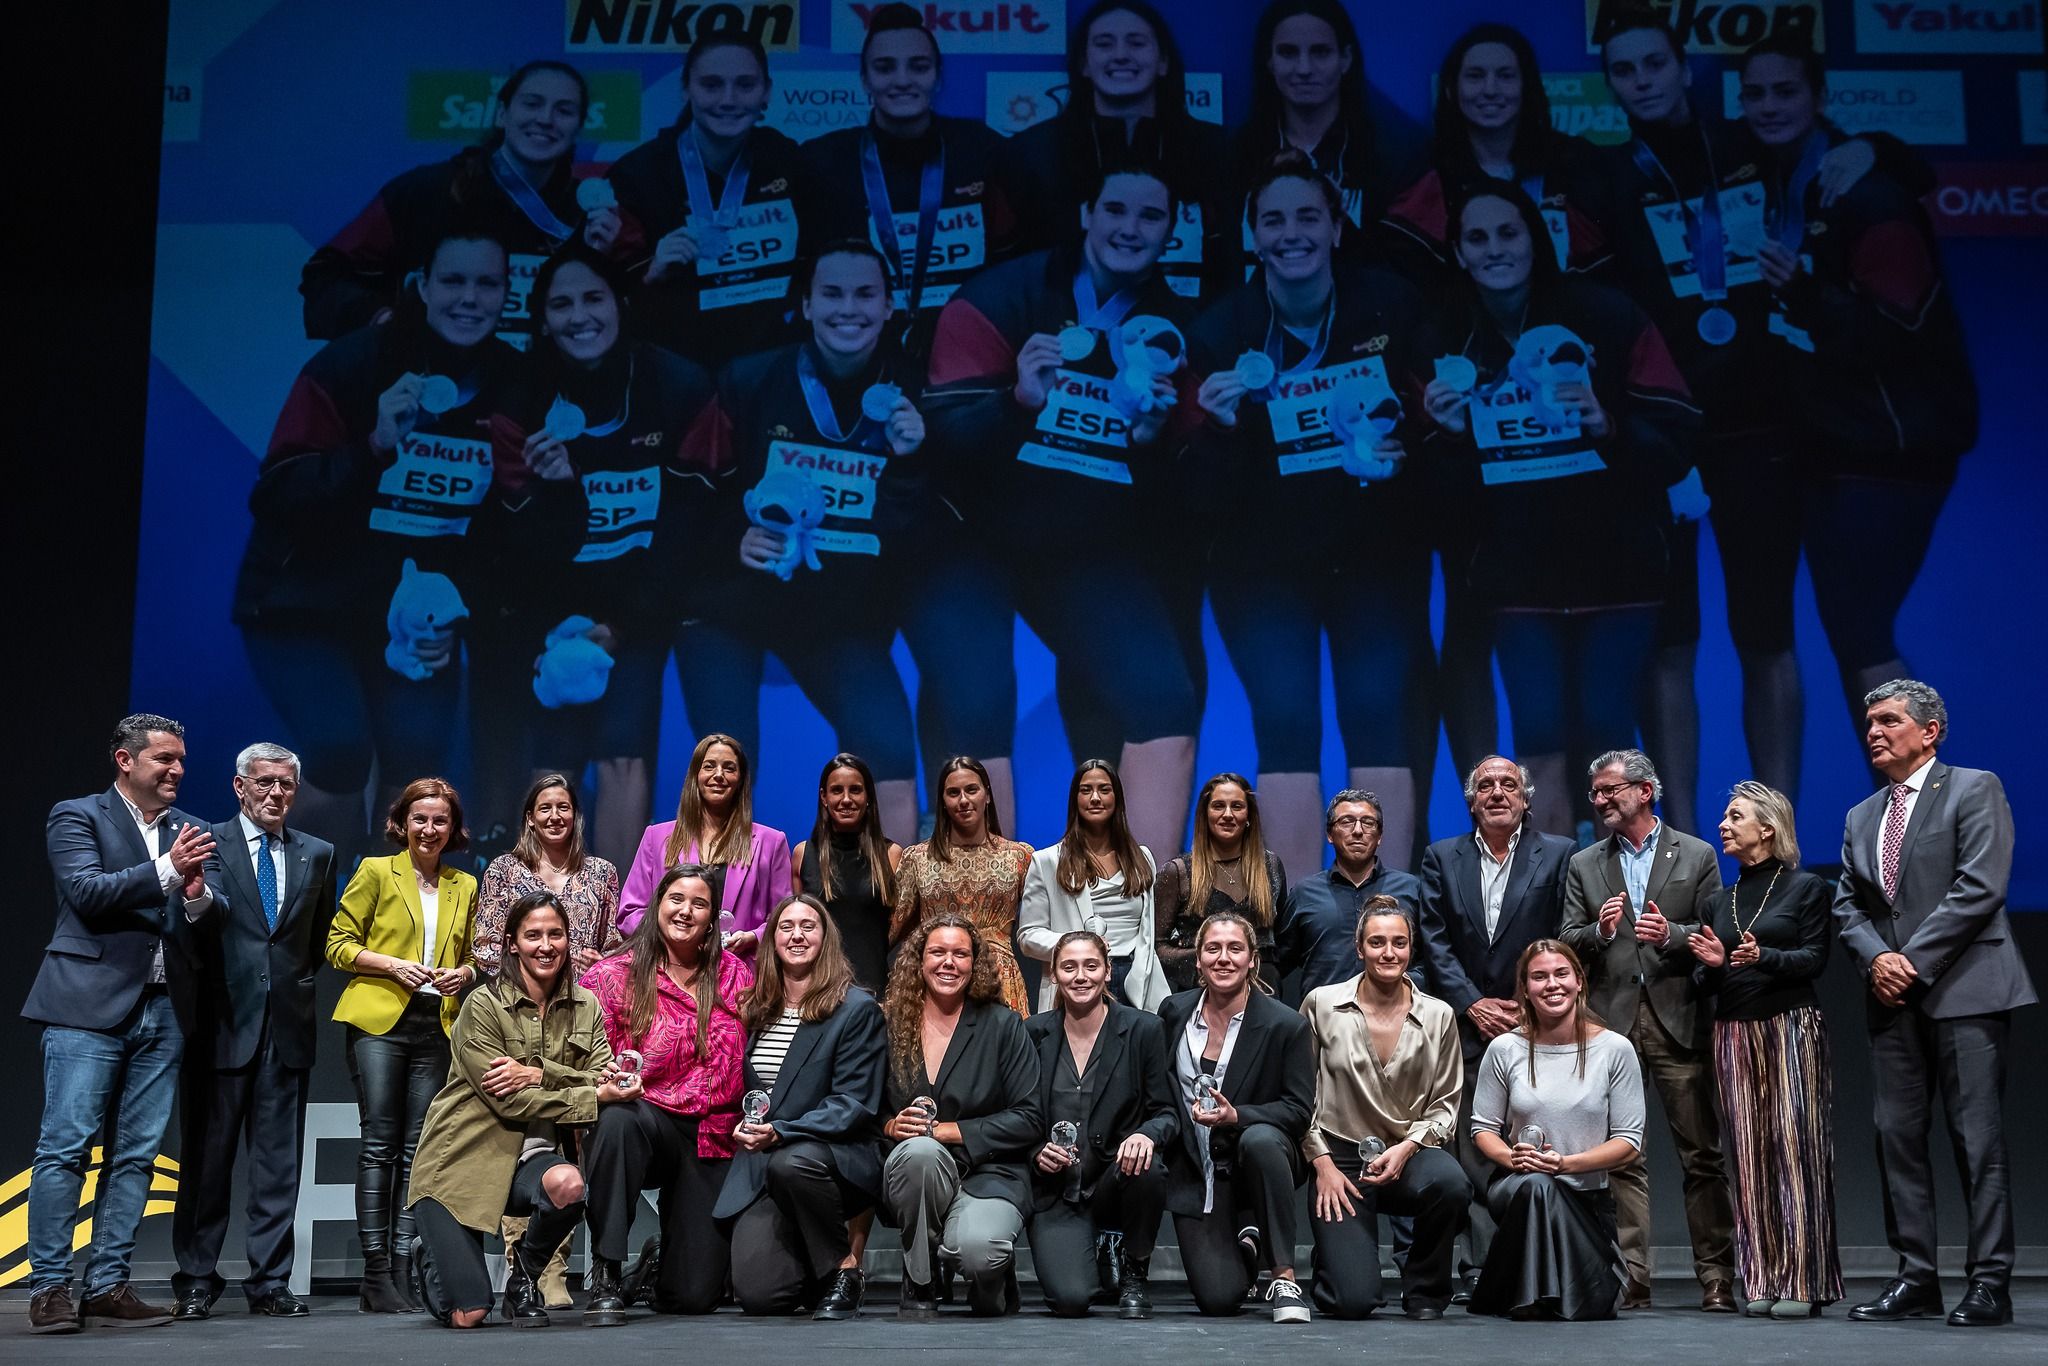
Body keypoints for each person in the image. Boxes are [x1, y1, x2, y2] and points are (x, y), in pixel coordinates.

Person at [1591, 7, 1923, 831]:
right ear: (1611, 85)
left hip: (1762, 432)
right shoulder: (1603, 174)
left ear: (1683, 67)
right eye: (1624, 71)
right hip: (1662, 434)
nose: (1642, 82)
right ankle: (1677, 846)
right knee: (1670, 644)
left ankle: (1773, 836)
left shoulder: (1750, 146)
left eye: (1654, 65)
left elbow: (1898, 169)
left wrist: (1871, 146)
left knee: (1765, 635)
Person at [238, 225, 585, 857]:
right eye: (453, 281)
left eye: (487, 284)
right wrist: (371, 446)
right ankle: (302, 913)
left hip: (412, 616)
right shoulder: (351, 364)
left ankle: (388, 924)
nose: (469, 298)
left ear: (507, 293)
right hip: (304, 604)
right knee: (341, 748)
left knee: (421, 771)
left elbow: (520, 546)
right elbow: (278, 496)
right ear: (421, 287)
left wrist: (553, 491)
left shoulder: (521, 383)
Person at [923, 160, 1201, 856]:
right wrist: (1015, 402)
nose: (1129, 229)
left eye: (1150, 216)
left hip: (1078, 548)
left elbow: (1191, 482)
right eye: (1116, 210)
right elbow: (944, 440)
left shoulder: (1176, 327)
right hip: (969, 542)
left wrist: (1148, 442)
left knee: (1166, 701)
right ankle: (978, 928)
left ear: (1172, 230)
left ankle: (1137, 911)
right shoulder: (1000, 297)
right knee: (978, 710)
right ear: (1086, 214)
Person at [1422, 182, 1698, 835]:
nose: (1495, 250)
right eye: (1478, 238)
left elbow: (1682, 431)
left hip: (1620, 565)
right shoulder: (1443, 337)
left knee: (1608, 736)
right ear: (1458, 252)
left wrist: (1608, 422)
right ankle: (1552, 909)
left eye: (1508, 233)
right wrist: (1446, 432)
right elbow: (1424, 482)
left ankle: (1620, 906)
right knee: (1539, 734)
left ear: (1536, 238)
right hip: (1518, 576)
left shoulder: (1609, 314)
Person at [1188, 153, 1433, 871]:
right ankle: (1299, 915)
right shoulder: (1221, 328)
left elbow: (1438, 429)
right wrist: (1219, 430)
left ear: (1335, 226)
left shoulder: (1391, 305)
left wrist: (1412, 438)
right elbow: (1194, 489)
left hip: (1375, 557)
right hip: (1260, 565)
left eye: (1306, 217)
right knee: (1286, 724)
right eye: (1273, 219)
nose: (1290, 233)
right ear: (1251, 234)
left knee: (1378, 718)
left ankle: (1387, 905)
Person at [1733, 38, 1975, 747]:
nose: (1770, 106)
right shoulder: (1781, 181)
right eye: (1756, 94)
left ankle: (1925, 831)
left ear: (1819, 97)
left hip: (1892, 447)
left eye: (1786, 91)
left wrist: (1805, 291)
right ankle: (1904, 834)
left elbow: (1898, 331)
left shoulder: (1866, 191)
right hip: (1835, 446)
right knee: (1854, 637)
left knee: (1864, 633)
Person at [677, 242, 926, 842]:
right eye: (832, 294)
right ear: (807, 304)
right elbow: (687, 492)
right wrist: (731, 539)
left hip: (834, 616)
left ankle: (891, 913)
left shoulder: (909, 393)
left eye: (865, 294)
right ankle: (714, 914)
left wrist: (915, 460)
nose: (849, 309)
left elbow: (920, 532)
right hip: (729, 607)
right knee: (723, 766)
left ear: (890, 306)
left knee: (889, 746)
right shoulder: (749, 378)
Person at [1832, 680, 2034, 1328]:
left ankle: (1990, 1283)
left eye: (1889, 720)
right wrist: (1877, 959)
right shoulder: (1862, 815)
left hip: (1965, 990)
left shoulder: (1974, 788)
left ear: (1930, 731)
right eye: (1869, 722)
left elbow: (1980, 887)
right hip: (1892, 1001)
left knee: (1977, 1142)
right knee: (1897, 1138)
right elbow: (1847, 905)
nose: (1874, 731)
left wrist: (1909, 962)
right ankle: (1916, 1277)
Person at [521, 244, 719, 854]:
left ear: (621, 304)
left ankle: (611, 926)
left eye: (593, 298)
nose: (580, 315)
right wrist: (554, 495)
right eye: (561, 303)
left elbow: (692, 525)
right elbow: (511, 545)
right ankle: (537, 916)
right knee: (550, 758)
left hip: (645, 602)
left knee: (623, 743)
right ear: (543, 319)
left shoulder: (679, 383)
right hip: (551, 607)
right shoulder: (522, 391)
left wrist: (623, 624)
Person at [25, 715, 217, 1335]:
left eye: (182, 760)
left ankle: (107, 1283)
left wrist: (194, 892)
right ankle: (51, 1287)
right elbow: (85, 891)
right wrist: (167, 871)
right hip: (87, 1005)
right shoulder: (77, 815)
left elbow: (207, 917)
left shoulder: (190, 832)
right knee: (65, 1149)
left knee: (136, 1155)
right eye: (163, 759)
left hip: (164, 1009)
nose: (177, 770)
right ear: (124, 761)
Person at [405, 891, 633, 1328]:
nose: (545, 945)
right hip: (459, 1165)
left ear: (568, 940)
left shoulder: (586, 1005)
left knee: (569, 1184)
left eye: (555, 934)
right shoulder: (482, 1005)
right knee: (469, 1314)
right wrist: (588, 1091)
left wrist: (537, 1072)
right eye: (533, 935)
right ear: (512, 943)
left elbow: (603, 1075)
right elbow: (507, 1098)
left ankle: (523, 1278)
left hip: (529, 1156)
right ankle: (430, 1256)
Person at [1557, 749, 1733, 1310]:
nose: (1600, 800)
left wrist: (1673, 936)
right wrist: (1601, 932)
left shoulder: (1698, 853)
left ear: (1644, 792)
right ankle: (1632, 1275)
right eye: (1595, 793)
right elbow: (1566, 937)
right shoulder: (1585, 862)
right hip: (1611, 1025)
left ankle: (1716, 1276)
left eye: (1609, 790)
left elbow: (1714, 933)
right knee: (1622, 1156)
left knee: (1701, 1156)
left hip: (1677, 1017)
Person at [170, 742, 338, 1321]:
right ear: (239, 787)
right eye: (264, 783)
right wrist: (194, 899)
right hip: (220, 1024)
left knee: (277, 1167)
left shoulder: (317, 853)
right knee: (208, 1162)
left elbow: (311, 943)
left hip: (286, 1029)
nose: (275, 794)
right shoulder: (206, 842)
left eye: (286, 785)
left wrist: (284, 989)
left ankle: (268, 1282)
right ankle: (196, 1278)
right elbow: (197, 925)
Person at [300, 59, 627, 344]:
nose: (545, 119)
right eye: (531, 103)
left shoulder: (591, 214)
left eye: (564, 110)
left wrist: (604, 261)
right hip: (435, 389)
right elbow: (326, 275)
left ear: (579, 126)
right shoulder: (424, 192)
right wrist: (383, 320)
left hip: (540, 399)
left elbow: (623, 314)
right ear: (501, 113)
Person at [1416, 755, 1573, 1299]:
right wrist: (1472, 1003)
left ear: (1527, 799)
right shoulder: (1441, 856)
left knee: (1536, 1137)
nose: (1498, 793)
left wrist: (1522, 1002)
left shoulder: (1558, 854)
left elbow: (1561, 934)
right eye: (1486, 785)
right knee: (1474, 1145)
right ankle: (1479, 1265)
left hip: (1536, 1021)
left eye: (1510, 785)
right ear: (1471, 800)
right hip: (1466, 1025)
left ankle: (1537, 1258)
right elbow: (1432, 939)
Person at [1685, 782, 1841, 1319]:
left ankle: (1803, 1279)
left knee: (1795, 1153)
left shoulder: (1806, 888)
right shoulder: (1717, 899)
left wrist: (1764, 955)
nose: (1723, 825)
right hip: (1732, 1032)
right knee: (1748, 1157)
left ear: (1767, 829)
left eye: (1735, 816)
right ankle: (1764, 1277)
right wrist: (1710, 966)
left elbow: (1815, 959)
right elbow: (1707, 982)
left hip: (1789, 1026)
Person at [325, 777, 480, 1312]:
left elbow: (478, 954)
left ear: (452, 829)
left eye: (440, 820)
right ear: (402, 823)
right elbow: (337, 945)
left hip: (437, 1023)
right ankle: (376, 1274)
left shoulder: (466, 884)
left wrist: (465, 971)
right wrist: (392, 964)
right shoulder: (375, 871)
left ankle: (406, 1267)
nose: (429, 829)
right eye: (420, 818)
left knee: (419, 1151)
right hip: (380, 1019)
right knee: (379, 1144)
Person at [581, 864, 754, 1318]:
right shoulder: (612, 974)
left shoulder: (738, 977)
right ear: (658, 904)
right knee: (616, 1121)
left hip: (711, 1134)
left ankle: (657, 1265)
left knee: (693, 1297)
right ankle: (607, 1270)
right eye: (676, 898)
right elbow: (580, 1046)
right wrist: (602, 1080)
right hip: (645, 1117)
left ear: (714, 918)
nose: (685, 911)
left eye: (699, 903)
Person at [799, 4, 1018, 359]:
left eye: (919, 67)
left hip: (969, 349)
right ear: (864, 80)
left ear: (939, 76)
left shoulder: (982, 148)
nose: (902, 80)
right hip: (861, 353)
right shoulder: (823, 160)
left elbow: (1012, 260)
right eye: (884, 68)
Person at [716, 893, 889, 1320]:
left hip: (832, 1160)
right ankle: (816, 1270)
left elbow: (853, 1104)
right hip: (767, 1164)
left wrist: (782, 1132)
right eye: (786, 927)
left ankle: (844, 1269)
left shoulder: (856, 1009)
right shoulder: (756, 1007)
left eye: (808, 926)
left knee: (792, 1163)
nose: (796, 935)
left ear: (826, 938)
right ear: (772, 940)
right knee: (761, 1297)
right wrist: (747, 1126)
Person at [1300, 901, 1468, 1320]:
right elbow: (1299, 1097)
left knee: (1451, 1183)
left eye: (1399, 943)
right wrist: (1321, 1163)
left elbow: (1445, 1105)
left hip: (1406, 1154)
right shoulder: (1322, 1004)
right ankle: (1336, 1258)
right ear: (1359, 948)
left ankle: (1425, 1290)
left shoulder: (1438, 1015)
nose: (1388, 953)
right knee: (1352, 1302)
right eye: (1376, 943)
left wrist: (1409, 1147)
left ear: (1411, 949)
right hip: (1340, 1162)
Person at [1009, 0, 1233, 303]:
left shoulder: (1216, 150)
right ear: (1084, 64)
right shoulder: (1034, 153)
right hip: (1064, 337)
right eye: (1104, 44)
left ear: (1163, 61)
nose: (1121, 55)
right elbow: (1018, 269)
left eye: (1136, 43)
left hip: (1193, 336)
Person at [1467, 940, 1645, 1321]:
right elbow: (1483, 1129)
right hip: (1516, 1189)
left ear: (1579, 981)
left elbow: (1629, 1143)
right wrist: (1513, 1158)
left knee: (1545, 1185)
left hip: (1587, 1200)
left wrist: (1564, 1164)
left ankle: (1525, 1293)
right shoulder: (1504, 1048)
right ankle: (1549, 1294)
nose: (1552, 984)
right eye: (1539, 977)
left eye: (1561, 974)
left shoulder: (1615, 1049)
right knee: (1536, 1185)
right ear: (1525, 990)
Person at [607, 31, 804, 371]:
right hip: (672, 368)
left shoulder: (788, 161)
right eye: (711, 85)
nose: (728, 99)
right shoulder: (636, 175)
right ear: (686, 89)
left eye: (745, 85)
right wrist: (651, 271)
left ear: (767, 91)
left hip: (774, 366)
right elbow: (606, 290)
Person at [878, 915, 1040, 1318]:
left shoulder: (1003, 1025)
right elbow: (864, 1110)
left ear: (976, 963)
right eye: (937, 952)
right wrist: (890, 1125)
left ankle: (992, 1277)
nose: (948, 962)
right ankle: (920, 1277)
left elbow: (1030, 1117)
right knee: (920, 1154)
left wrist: (948, 1131)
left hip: (990, 1172)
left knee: (979, 1255)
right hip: (915, 1174)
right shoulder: (890, 1025)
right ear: (918, 961)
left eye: (960, 954)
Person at [1160, 911, 1315, 1322]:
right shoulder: (1173, 1013)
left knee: (1260, 1139)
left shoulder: (1286, 1025)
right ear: (1197, 960)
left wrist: (1237, 1116)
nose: (1223, 958)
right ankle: (1248, 1245)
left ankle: (1284, 1277)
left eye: (1235, 949)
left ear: (1252, 960)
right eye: (1212, 949)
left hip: (1256, 1163)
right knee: (1219, 1300)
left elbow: (1298, 1112)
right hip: (1197, 1170)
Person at [1025, 930, 1177, 1318]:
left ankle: (1133, 1269)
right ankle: (1096, 1252)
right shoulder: (1032, 1033)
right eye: (1069, 967)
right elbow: (1016, 1116)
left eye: (1091, 966)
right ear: (1055, 975)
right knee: (1070, 1300)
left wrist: (1146, 1133)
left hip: (1116, 1179)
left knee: (1150, 1168)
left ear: (1108, 971)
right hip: (1058, 1191)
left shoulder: (1143, 1030)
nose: (1081, 976)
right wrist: (1035, 1150)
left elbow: (1167, 1113)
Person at [1381, 24, 1607, 283]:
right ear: (1450, 89)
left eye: (1505, 75)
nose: (1490, 89)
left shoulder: (1574, 162)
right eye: (1475, 76)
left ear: (1527, 86)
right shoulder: (1423, 171)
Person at [1231, 0, 1383, 257]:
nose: (1304, 69)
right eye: (1288, 53)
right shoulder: (1233, 156)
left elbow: (1403, 276)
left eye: (1320, 52)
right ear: (1269, 61)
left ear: (1345, 59)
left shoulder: (1391, 157)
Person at [1018, 759, 1169, 1012]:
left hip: (1137, 980)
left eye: (1104, 789)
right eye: (1086, 790)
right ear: (1075, 799)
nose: (1095, 798)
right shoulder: (1048, 862)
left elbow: (1148, 932)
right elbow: (1028, 936)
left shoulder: (1142, 858)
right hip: (1078, 980)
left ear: (1117, 798)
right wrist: (1075, 944)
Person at [890, 758, 1033, 1016]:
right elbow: (893, 929)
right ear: (943, 801)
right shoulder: (918, 858)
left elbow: (1043, 922)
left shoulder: (1018, 857)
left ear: (987, 795)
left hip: (1000, 981)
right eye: (953, 793)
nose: (963, 800)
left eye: (971, 790)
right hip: (938, 979)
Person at [618, 733, 792, 945]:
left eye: (729, 768)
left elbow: (785, 918)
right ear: (695, 776)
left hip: (741, 971)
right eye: (709, 766)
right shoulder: (656, 837)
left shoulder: (771, 842)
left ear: (741, 780)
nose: (719, 775)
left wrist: (753, 937)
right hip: (668, 969)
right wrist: (674, 936)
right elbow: (629, 914)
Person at [1275, 790, 1423, 998]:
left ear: (1380, 836)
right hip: (1323, 1021)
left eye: (1368, 823)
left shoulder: (1411, 889)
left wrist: (1404, 984)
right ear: (1329, 834)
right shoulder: (1304, 893)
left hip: (1397, 1016)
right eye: (1347, 821)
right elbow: (1278, 963)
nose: (1358, 831)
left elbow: (1431, 959)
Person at [475, 773, 622, 979]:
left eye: (563, 807)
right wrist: (529, 978)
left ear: (575, 817)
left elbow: (613, 947)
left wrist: (601, 965)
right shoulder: (504, 870)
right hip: (518, 997)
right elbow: (485, 945)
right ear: (530, 819)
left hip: (583, 996)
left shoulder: (601, 873)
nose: (555, 816)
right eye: (545, 808)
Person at [1155, 774, 1288, 994]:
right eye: (1218, 806)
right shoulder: (1178, 872)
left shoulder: (1270, 866)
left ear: (1249, 816)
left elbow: (1285, 940)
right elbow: (1156, 947)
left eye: (1237, 806)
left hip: (1263, 992)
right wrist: (1208, 960)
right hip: (1199, 992)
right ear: (1205, 815)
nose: (1228, 814)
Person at [792, 753, 903, 992]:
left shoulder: (892, 855)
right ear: (824, 797)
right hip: (818, 991)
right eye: (836, 791)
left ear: (868, 798)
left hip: (876, 991)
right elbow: (797, 931)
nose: (846, 799)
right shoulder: (803, 855)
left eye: (855, 790)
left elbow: (899, 935)